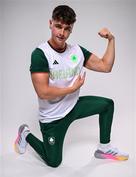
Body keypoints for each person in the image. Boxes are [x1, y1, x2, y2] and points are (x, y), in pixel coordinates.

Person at [14, 5, 129, 167]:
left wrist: (111, 39)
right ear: (50, 23)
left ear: (72, 29)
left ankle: (104, 148)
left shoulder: (77, 51)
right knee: (53, 162)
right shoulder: (40, 54)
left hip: (73, 107)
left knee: (107, 105)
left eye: (67, 29)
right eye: (58, 26)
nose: (62, 33)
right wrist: (71, 89)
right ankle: (25, 134)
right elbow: (43, 92)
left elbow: (105, 66)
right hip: (53, 119)